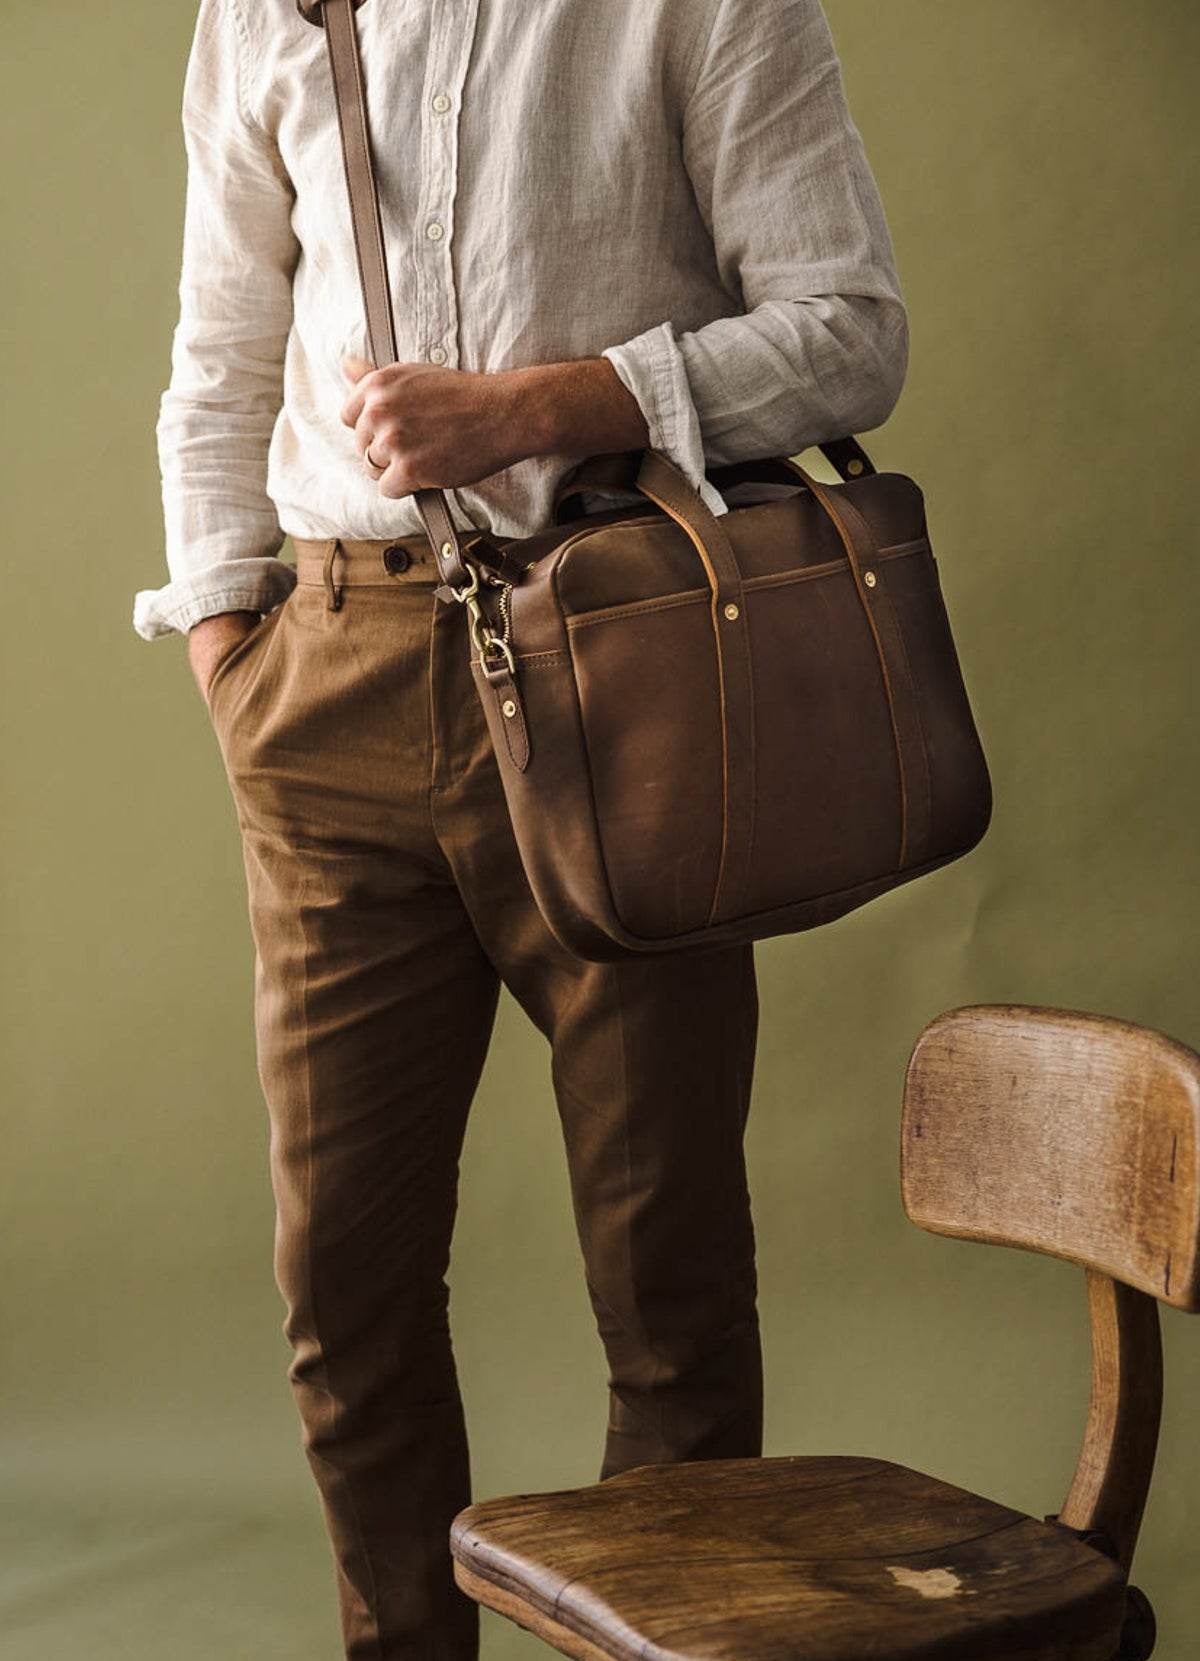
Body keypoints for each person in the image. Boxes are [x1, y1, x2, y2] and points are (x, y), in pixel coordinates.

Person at [132, 1, 907, 1655]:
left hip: (625, 677)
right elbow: (220, 344)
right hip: (327, 682)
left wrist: (547, 405)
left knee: (667, 1280)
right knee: (344, 1288)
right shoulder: (265, 12)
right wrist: (227, 652)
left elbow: (852, 332)